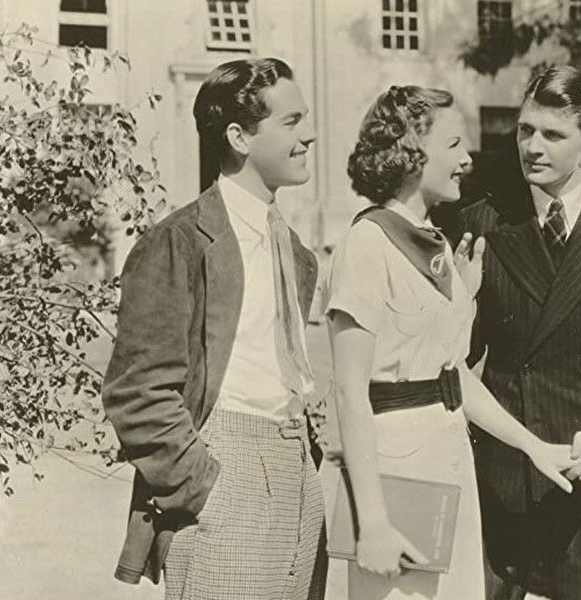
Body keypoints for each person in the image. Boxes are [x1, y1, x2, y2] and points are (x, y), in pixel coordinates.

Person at [325, 85, 581, 600]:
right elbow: (350, 392)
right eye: (454, 145)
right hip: (395, 468)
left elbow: (451, 374)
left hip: (448, 460)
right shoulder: (366, 242)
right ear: (412, 153)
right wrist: (371, 522)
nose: (468, 159)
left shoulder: (439, 243)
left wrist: (533, 446)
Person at [102, 58, 327, 600]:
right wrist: (205, 488)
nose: (310, 136)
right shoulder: (177, 242)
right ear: (239, 137)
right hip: (225, 478)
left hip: (299, 474)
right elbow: (137, 392)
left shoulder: (297, 254)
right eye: (292, 122)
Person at [461, 65, 581, 600]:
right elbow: (451, 362)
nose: (533, 147)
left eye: (554, 134)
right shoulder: (480, 223)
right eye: (525, 130)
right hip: (505, 483)